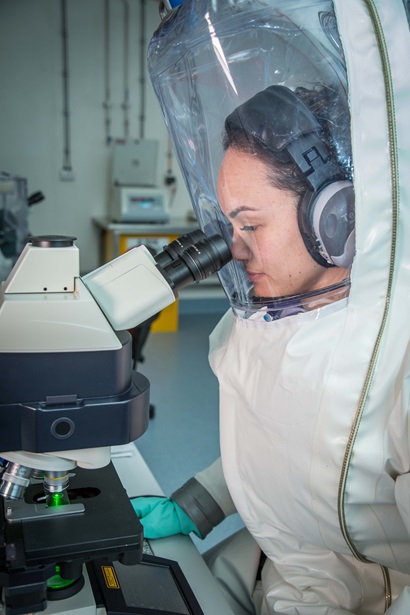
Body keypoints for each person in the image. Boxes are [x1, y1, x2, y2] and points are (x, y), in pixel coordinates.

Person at [133, 1, 410, 613]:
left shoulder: (398, 347)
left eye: (251, 224)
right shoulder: (260, 322)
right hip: (286, 572)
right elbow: (277, 445)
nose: (233, 248)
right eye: (229, 223)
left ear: (336, 217)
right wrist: (194, 505)